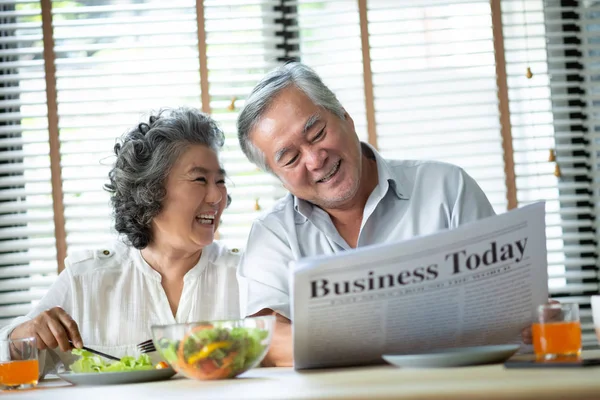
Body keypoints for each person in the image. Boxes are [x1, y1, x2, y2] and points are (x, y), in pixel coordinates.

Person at [236, 62, 501, 367]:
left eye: (318, 133)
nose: (315, 159)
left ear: (345, 117)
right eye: (291, 158)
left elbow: (499, 308)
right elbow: (266, 339)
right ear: (278, 177)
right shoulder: (272, 235)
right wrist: (393, 341)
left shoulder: (448, 189)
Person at [1, 107, 241, 376]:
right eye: (200, 179)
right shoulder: (85, 280)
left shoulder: (246, 274)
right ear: (150, 191)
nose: (216, 196)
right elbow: (12, 362)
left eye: (220, 181)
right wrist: (24, 336)